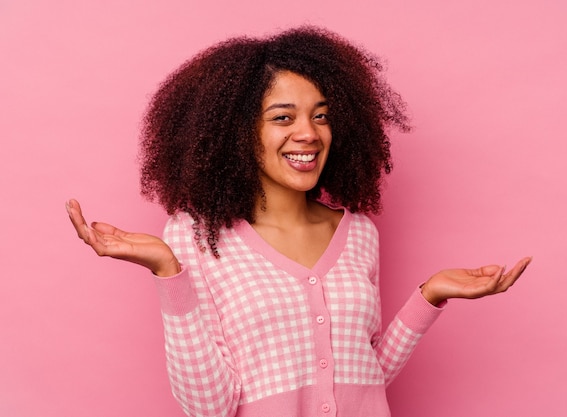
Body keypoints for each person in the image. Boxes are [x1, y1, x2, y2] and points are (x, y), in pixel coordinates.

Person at [66, 26, 531, 417]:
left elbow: (366, 376)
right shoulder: (194, 237)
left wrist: (430, 296)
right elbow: (210, 407)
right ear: (236, 132)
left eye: (321, 116)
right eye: (282, 117)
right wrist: (168, 270)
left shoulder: (359, 233)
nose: (308, 134)